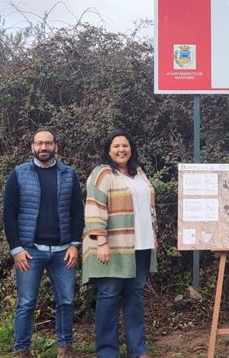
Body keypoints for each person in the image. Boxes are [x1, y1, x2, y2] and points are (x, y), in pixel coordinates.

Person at [2, 128, 85, 358]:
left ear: (56, 146)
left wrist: (75, 244)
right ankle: (22, 350)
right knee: (26, 303)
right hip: (30, 251)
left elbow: (77, 212)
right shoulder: (19, 174)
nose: (44, 148)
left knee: (66, 301)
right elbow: (9, 214)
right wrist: (16, 248)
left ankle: (65, 348)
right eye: (39, 143)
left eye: (48, 143)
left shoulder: (68, 174)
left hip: (63, 251)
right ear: (32, 147)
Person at [82, 130, 157, 358]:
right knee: (109, 297)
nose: (121, 150)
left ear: (131, 148)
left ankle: (138, 350)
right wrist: (101, 241)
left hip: (141, 245)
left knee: (134, 297)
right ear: (108, 150)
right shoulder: (102, 173)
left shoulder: (139, 173)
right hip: (113, 246)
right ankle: (107, 352)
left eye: (125, 145)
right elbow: (94, 207)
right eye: (116, 146)